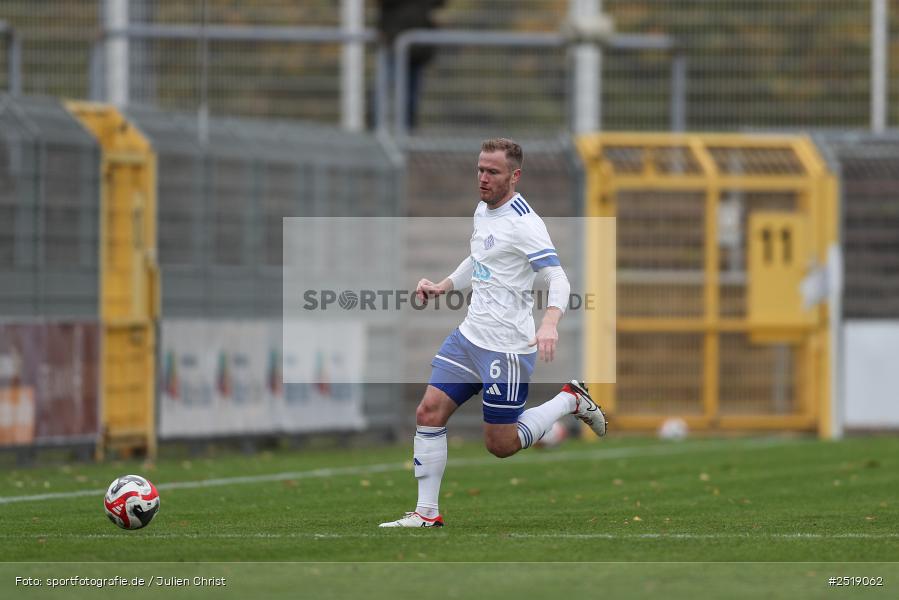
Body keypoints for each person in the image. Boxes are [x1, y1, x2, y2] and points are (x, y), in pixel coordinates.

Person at [379, 138, 607, 528]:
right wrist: (444, 285)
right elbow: (480, 257)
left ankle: (570, 400)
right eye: (480, 170)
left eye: (493, 172)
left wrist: (549, 322)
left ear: (514, 176)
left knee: (500, 444)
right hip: (470, 338)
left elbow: (558, 278)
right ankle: (426, 512)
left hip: (507, 348)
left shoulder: (525, 224)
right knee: (428, 412)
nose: (483, 178)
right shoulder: (483, 210)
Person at [376, 0, 445, 130]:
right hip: (393, 39)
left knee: (411, 94)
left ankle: (407, 131)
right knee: (383, 89)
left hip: (418, 45)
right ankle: (377, 130)